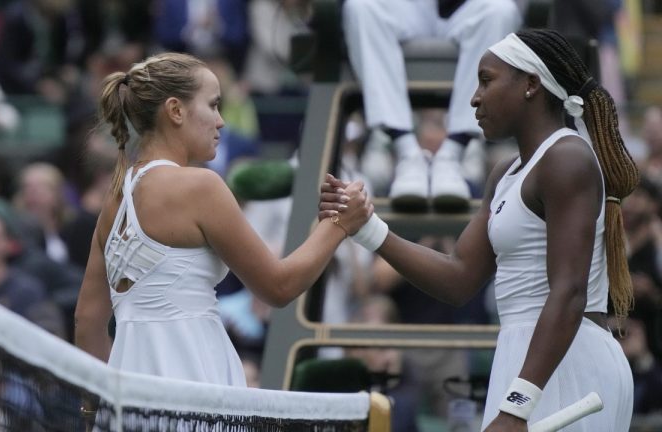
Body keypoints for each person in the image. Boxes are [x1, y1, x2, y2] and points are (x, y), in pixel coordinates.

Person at [320, 28, 638, 431]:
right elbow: (458, 278)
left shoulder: (567, 158)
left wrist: (517, 405)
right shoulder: (505, 174)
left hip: (568, 364)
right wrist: (367, 227)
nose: (474, 97)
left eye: (486, 80)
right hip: (529, 364)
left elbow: (569, 292)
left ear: (531, 85)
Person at [73, 53, 370, 399]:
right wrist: (339, 224)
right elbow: (279, 286)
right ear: (176, 111)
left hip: (126, 399)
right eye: (213, 106)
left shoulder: (114, 198)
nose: (221, 122)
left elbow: (88, 321)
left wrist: (96, 410)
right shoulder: (201, 187)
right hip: (197, 384)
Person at [342, 0, 521, 210]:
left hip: (466, 7)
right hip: (406, 8)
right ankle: (407, 154)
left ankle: (453, 155)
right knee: (361, 7)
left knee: (501, 11)